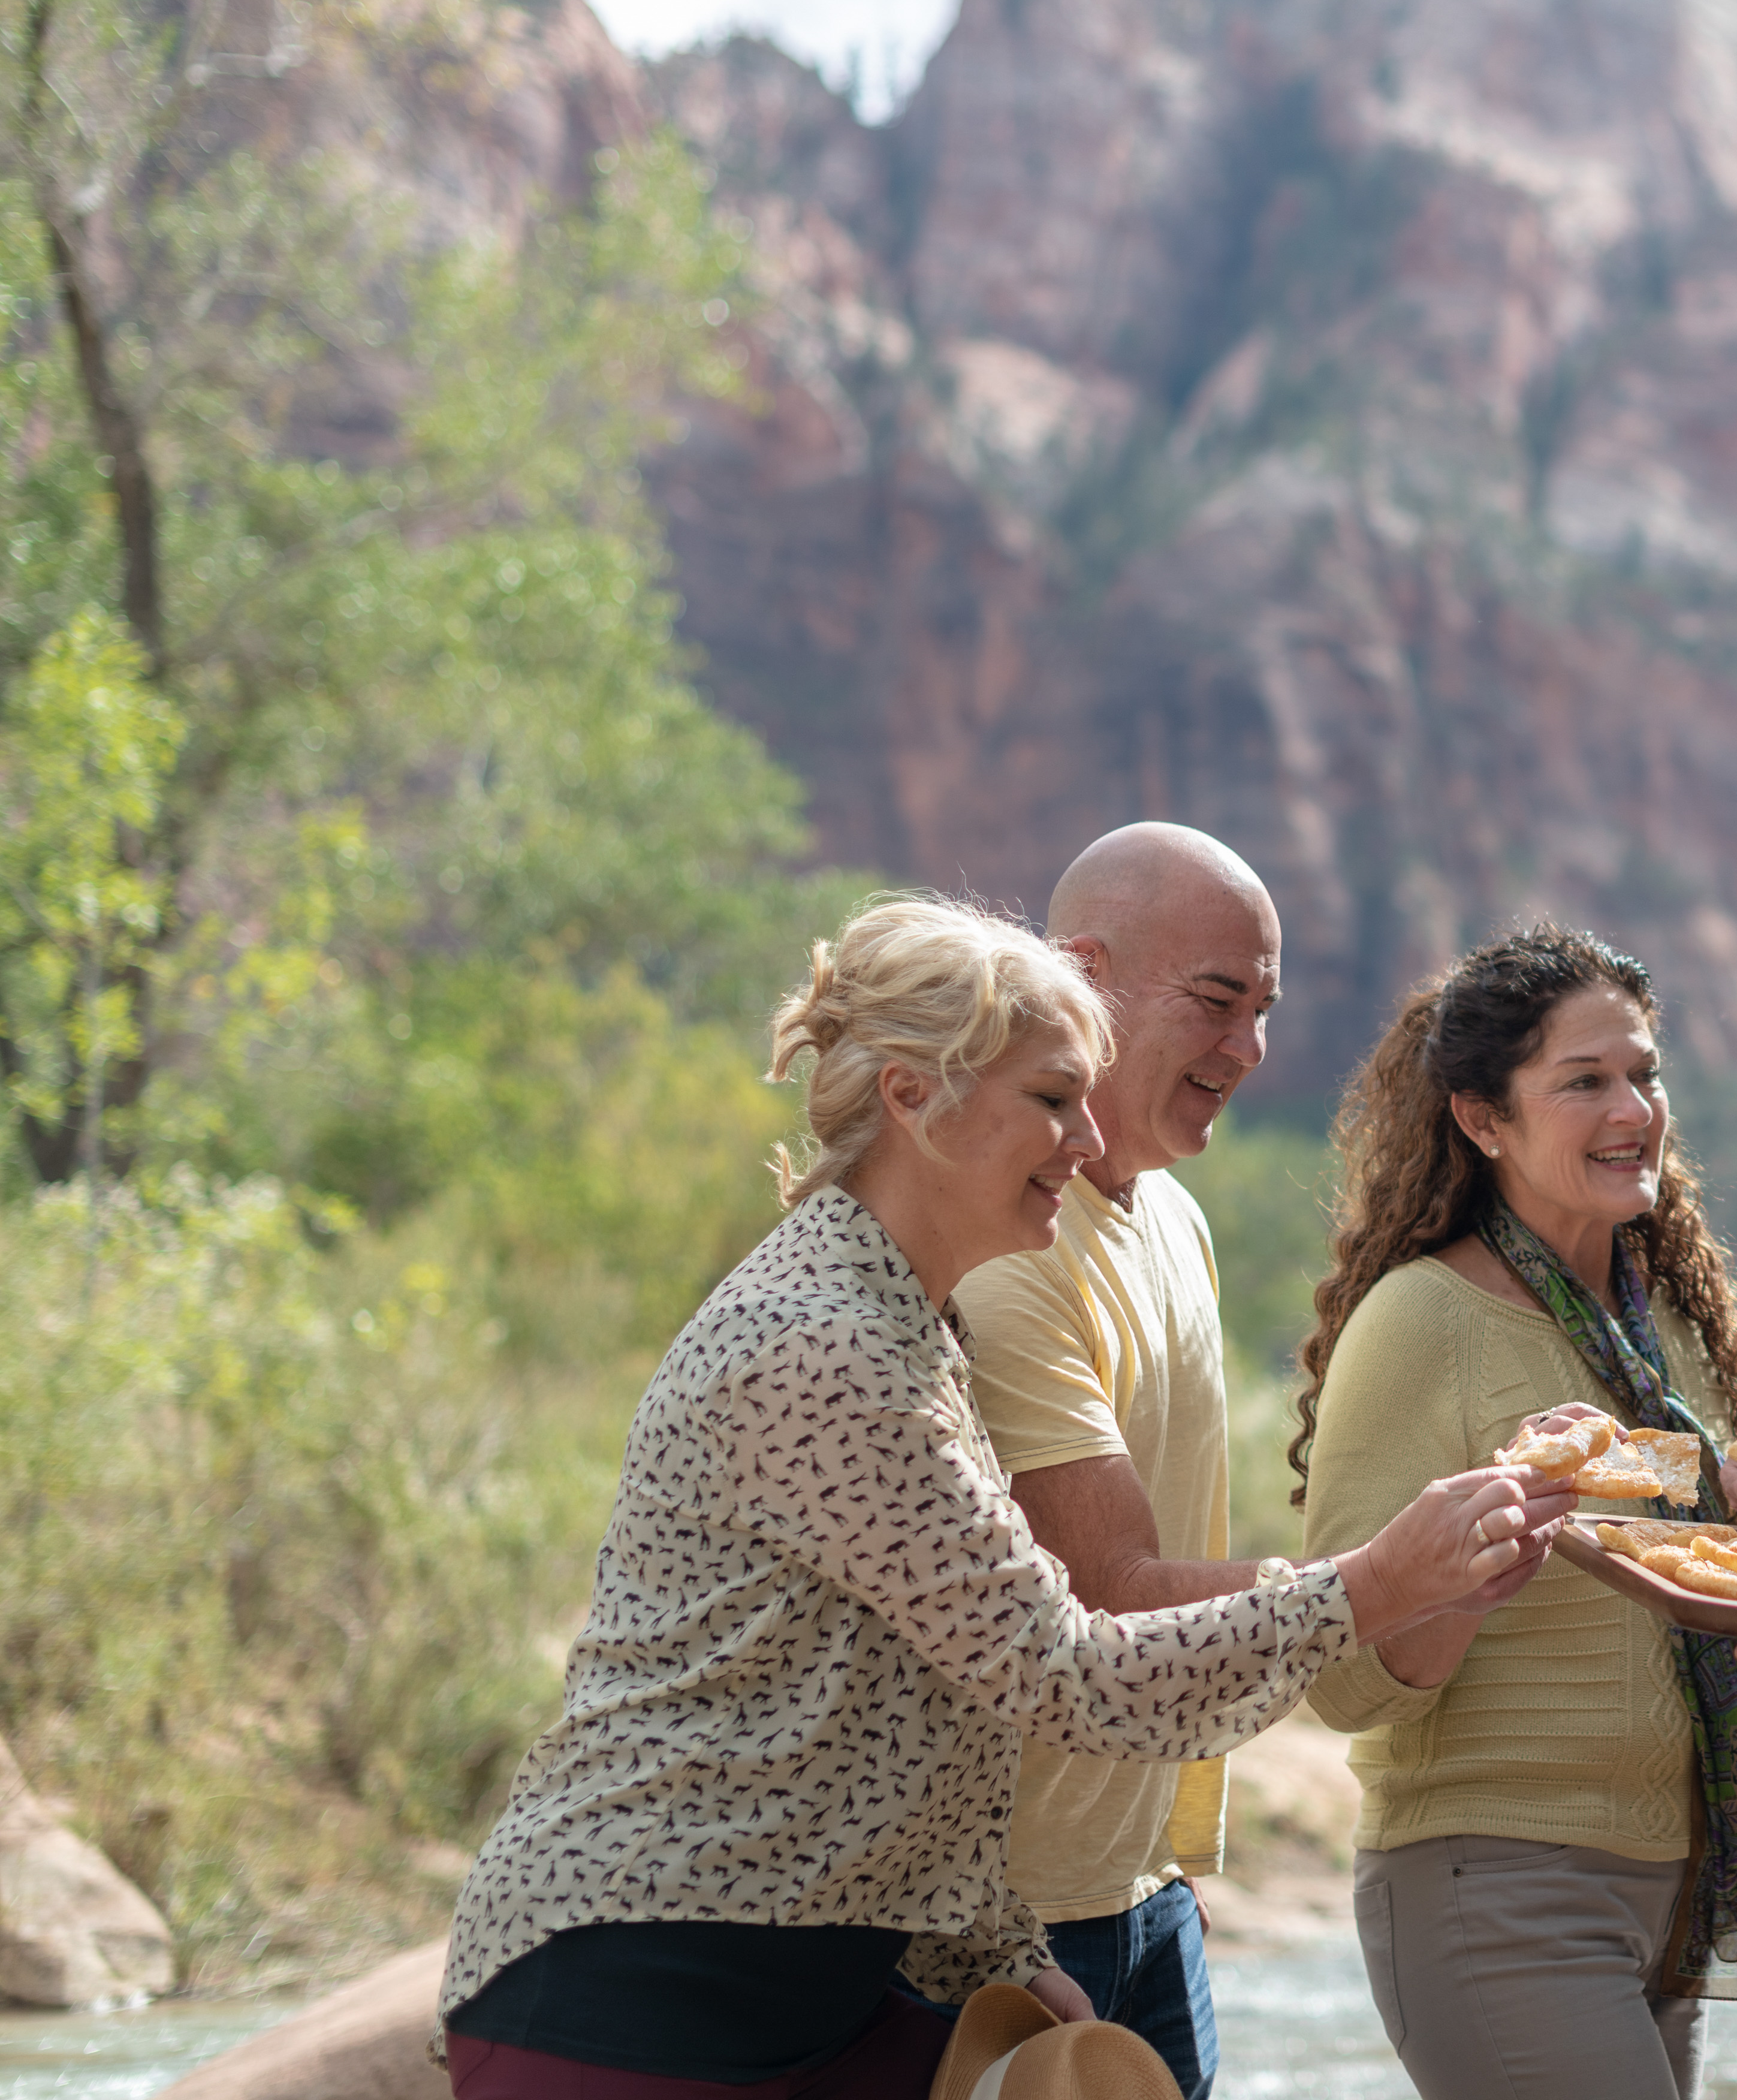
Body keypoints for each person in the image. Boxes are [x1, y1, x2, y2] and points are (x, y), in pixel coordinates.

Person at [438, 894, 1566, 2099]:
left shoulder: (909, 1324)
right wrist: (1376, 1581)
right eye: (1050, 1098)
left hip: (808, 1986)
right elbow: (1064, 1675)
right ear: (912, 1098)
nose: (1086, 1140)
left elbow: (914, 1692)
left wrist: (1001, 1949)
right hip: (638, 1997)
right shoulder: (827, 1348)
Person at [1292, 926, 1737, 2099]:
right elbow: (1337, 1677)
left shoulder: (1684, 1336)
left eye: (1645, 1073)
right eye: (1585, 1080)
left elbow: (1727, 1628)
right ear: (1483, 1118)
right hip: (1497, 1887)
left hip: (1677, 1894)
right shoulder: (1416, 1324)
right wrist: (1459, 1573)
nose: (1632, 1109)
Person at [951, 824, 1285, 2098]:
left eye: (1262, 1009)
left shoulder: (1181, 1218)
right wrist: (1382, 1580)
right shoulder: (1008, 1233)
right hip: (1004, 1922)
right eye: (1216, 999)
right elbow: (1106, 1588)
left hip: (1151, 1892)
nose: (1248, 1049)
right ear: (1081, 973)